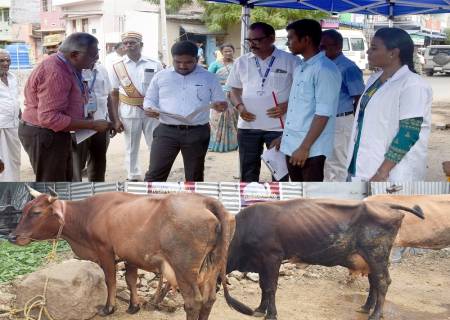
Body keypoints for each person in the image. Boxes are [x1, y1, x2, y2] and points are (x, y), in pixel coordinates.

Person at [19, 32, 112, 182]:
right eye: (93, 55)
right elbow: (50, 118)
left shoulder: (69, 65)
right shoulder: (56, 72)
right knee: (53, 184)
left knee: (67, 180)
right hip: (45, 133)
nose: (97, 59)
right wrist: (92, 125)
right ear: (75, 54)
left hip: (57, 132)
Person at [347, 27, 432, 182]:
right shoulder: (374, 78)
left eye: (373, 48)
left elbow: (408, 133)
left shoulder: (412, 84)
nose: (368, 52)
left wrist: (382, 171)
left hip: (391, 172)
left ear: (393, 53)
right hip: (363, 161)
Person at [143, 40, 227, 182]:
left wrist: (220, 105)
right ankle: (150, 204)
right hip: (166, 131)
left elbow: (221, 101)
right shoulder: (161, 76)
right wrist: (150, 109)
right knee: (155, 174)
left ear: (197, 59)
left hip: (197, 132)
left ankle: (192, 204)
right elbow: (149, 99)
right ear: (172, 59)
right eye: (178, 62)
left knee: (194, 176)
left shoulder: (209, 77)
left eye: (188, 62)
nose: (182, 66)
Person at [227, 22, 300, 182]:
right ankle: (248, 204)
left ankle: (280, 206)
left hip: (279, 128)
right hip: (248, 127)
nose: (252, 44)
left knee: (280, 173)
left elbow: (301, 92)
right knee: (248, 172)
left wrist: (287, 105)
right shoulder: (241, 62)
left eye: (257, 40)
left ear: (271, 39)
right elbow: (234, 89)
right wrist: (239, 106)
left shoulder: (291, 61)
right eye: (249, 40)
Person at [271, 19, 341, 182]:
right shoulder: (301, 67)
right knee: (296, 195)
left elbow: (323, 114)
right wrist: (284, 137)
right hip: (293, 145)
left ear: (306, 39)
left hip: (311, 149)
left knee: (309, 199)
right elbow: (299, 109)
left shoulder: (324, 70)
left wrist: (304, 147)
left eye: (291, 38)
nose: (288, 43)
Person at [109, 31, 163, 181]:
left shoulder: (155, 63)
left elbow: (164, 88)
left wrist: (162, 111)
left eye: (132, 42)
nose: (128, 45)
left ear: (141, 44)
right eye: (126, 43)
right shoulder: (116, 66)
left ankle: (155, 173)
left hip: (151, 112)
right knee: (131, 146)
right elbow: (113, 94)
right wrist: (116, 119)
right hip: (129, 111)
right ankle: (133, 175)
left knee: (155, 144)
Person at [320, 29, 365, 182]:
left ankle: (339, 200)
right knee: (326, 161)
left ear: (338, 46)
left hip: (340, 121)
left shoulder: (348, 67)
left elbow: (359, 97)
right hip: (323, 120)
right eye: (320, 47)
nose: (322, 50)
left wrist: (352, 121)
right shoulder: (323, 65)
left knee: (338, 162)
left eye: (325, 47)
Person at [72, 60, 114, 182]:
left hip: (101, 124)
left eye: (97, 50)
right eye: (92, 50)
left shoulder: (102, 69)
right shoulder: (72, 70)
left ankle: (97, 191)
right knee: (76, 166)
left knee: (99, 163)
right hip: (80, 126)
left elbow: (109, 96)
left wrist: (113, 120)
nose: (95, 54)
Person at [208, 43, 238, 152]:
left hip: (235, 94)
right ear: (222, 52)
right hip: (219, 95)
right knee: (216, 120)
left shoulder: (238, 64)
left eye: (230, 51)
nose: (228, 53)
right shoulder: (215, 64)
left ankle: (232, 144)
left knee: (234, 119)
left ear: (233, 51)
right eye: (225, 51)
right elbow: (208, 79)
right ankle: (216, 143)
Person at [0, 49, 20, 181]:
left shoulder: (12, 77)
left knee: (13, 159)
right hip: (1, 126)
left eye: (8, 60)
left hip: (14, 125)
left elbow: (15, 100)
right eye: (2, 60)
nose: (6, 63)